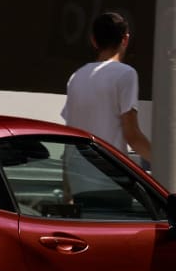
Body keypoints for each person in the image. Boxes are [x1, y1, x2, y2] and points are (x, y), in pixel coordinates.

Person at [61, 11, 153, 167]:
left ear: (94, 41)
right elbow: (132, 135)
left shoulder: (76, 77)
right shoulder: (126, 74)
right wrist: (164, 162)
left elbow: (70, 136)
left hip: (78, 174)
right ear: (125, 39)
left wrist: (67, 183)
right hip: (110, 176)